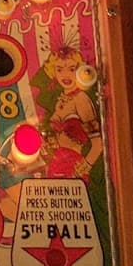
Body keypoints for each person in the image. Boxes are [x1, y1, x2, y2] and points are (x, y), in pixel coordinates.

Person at [43, 47, 102, 179]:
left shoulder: (81, 100)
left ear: (79, 70)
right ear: (53, 72)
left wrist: (83, 168)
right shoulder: (60, 102)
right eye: (59, 69)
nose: (65, 75)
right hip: (55, 163)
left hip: (73, 165)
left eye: (71, 69)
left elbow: (98, 144)